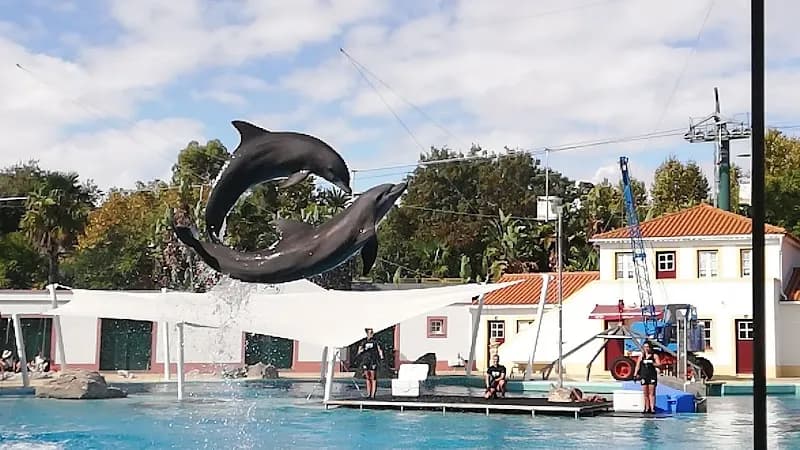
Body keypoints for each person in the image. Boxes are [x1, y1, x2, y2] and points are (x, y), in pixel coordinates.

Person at [634, 341, 662, 413]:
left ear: (650, 348)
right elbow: (637, 366)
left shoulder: (654, 355)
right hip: (644, 375)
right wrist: (635, 374)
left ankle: (652, 408)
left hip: (652, 375)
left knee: (651, 393)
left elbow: (659, 365)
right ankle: (646, 408)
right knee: (645, 393)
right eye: (645, 347)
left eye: (647, 347)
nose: (646, 348)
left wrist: (653, 363)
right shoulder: (641, 356)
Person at [357, 328, 383, 399]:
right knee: (367, 377)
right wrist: (363, 349)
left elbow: (379, 349)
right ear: (367, 333)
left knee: (373, 377)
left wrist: (381, 357)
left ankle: (373, 395)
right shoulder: (364, 342)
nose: (371, 334)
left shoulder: (375, 341)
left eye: (372, 332)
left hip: (373, 360)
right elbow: (359, 351)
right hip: (366, 360)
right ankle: (368, 394)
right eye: (370, 332)